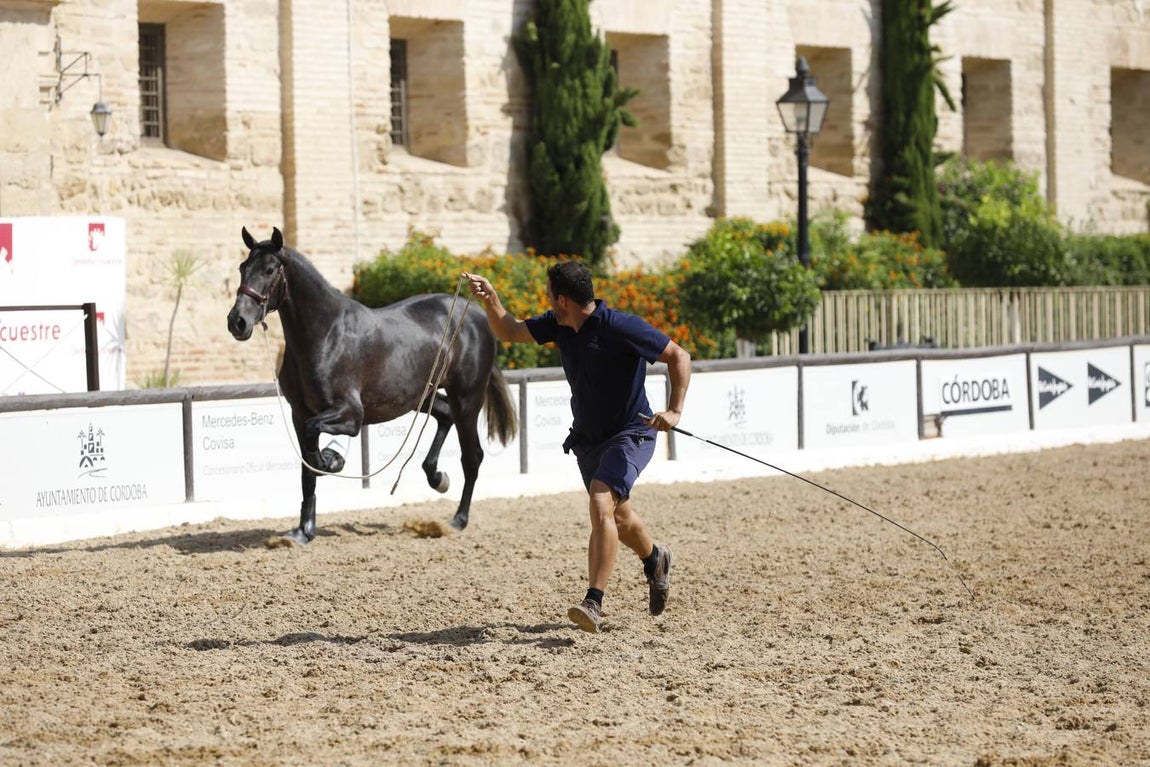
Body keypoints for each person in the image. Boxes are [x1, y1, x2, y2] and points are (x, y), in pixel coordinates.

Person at [462, 263, 691, 633]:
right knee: (618, 518)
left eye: (549, 295)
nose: (546, 301)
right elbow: (508, 329)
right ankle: (655, 559)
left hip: (631, 433)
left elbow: (679, 356)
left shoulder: (620, 326)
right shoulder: (558, 324)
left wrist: (675, 410)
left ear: (563, 299)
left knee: (601, 501)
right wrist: (491, 299)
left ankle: (593, 602)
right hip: (588, 439)